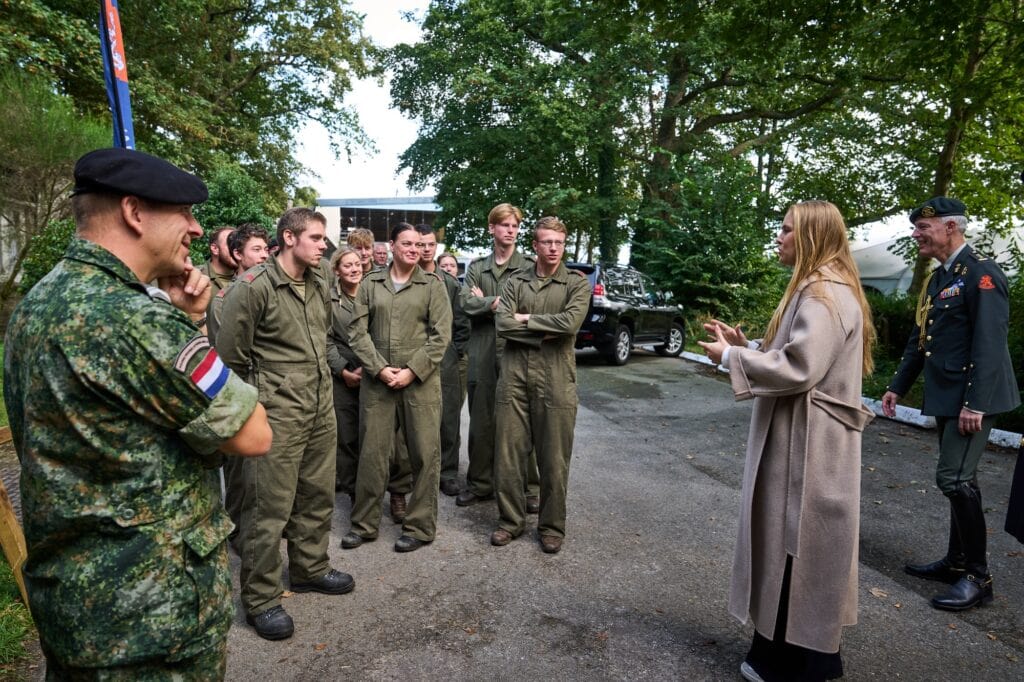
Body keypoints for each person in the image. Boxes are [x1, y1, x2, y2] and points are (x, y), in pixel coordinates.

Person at [2, 147, 273, 678]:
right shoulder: (133, 321)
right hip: (151, 620)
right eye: (184, 213)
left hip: (79, 608)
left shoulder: (41, 301)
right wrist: (189, 330)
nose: (196, 229)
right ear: (134, 212)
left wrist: (182, 320)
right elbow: (252, 434)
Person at [699, 200, 875, 682]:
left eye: (786, 230)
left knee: (796, 543)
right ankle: (798, 655)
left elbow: (800, 368)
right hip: (807, 439)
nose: (778, 237)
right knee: (797, 543)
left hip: (809, 446)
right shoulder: (821, 287)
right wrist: (750, 348)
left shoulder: (821, 292)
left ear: (812, 236)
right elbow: (798, 355)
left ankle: (793, 662)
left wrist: (728, 357)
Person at [218, 207, 355, 641]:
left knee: (316, 495)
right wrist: (253, 411)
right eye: (316, 237)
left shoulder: (319, 281)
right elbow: (231, 360)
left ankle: (310, 568)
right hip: (275, 413)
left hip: (319, 406)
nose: (324, 245)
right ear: (289, 238)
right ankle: (261, 599)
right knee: (266, 508)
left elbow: (326, 338)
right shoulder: (253, 286)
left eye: (323, 238)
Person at [881, 196, 1019, 611]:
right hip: (948, 396)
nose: (916, 234)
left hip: (974, 398)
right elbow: (920, 338)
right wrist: (897, 387)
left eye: (924, 227)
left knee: (954, 480)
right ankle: (958, 562)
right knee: (962, 478)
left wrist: (975, 404)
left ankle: (979, 578)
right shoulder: (942, 277)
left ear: (951, 228)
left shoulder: (981, 274)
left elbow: (991, 343)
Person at [342, 222, 452, 553]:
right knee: (373, 453)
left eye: (419, 245)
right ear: (391, 245)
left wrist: (411, 371)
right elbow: (357, 331)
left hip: (420, 383)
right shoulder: (370, 283)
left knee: (424, 454)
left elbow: (440, 335)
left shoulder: (433, 285)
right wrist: (378, 369)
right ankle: (364, 524)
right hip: (378, 383)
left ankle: (419, 527)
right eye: (406, 243)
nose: (413, 249)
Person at [489, 217, 590, 554]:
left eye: (558, 243)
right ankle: (510, 522)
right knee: (508, 455)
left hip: (557, 377)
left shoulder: (576, 284)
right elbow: (502, 324)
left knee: (554, 459)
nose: (552, 248)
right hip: (514, 374)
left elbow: (570, 323)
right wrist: (542, 332)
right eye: (546, 242)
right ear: (534, 245)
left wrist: (526, 319)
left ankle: (551, 526)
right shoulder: (516, 281)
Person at [458, 203, 541, 512]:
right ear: (491, 228)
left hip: (516, 353)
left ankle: (528, 488)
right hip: (481, 352)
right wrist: (498, 304)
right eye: (504, 225)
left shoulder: (529, 267)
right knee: (480, 422)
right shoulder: (478, 267)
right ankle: (480, 484)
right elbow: (465, 302)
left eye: (515, 226)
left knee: (522, 424)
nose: (510, 230)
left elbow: (530, 306)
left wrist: (489, 303)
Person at [416, 225, 471, 496]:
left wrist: (455, 352)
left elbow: (461, 323)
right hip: (412, 358)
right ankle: (416, 472)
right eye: (421, 244)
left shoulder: (449, 283)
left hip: (446, 360)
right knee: (414, 420)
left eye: (430, 244)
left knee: (448, 418)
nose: (425, 249)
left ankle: (447, 472)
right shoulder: (402, 279)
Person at [327, 247, 367, 496]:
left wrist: (373, 366)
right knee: (347, 437)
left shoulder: (373, 293)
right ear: (337, 271)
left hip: (374, 373)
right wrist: (343, 370)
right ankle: (354, 492)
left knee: (373, 436)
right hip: (343, 376)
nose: (354, 269)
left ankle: (378, 489)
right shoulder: (328, 300)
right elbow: (325, 339)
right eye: (348, 265)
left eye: (357, 264)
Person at [209, 222, 270, 343]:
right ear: (238, 254)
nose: (264, 255)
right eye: (256, 250)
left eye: (266, 250)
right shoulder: (224, 299)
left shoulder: (276, 288)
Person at [199, 225, 237, 301]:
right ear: (215, 249)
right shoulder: (197, 276)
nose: (236, 249)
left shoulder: (247, 278)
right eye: (231, 244)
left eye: (239, 245)